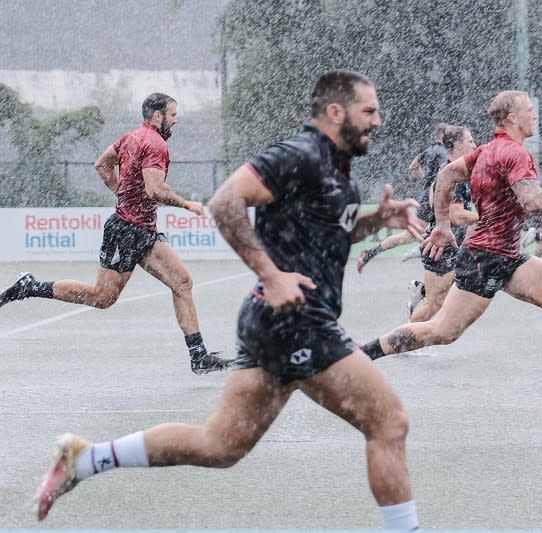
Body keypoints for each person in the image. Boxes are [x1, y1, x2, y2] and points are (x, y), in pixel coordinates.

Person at [33, 70, 422, 531]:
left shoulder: (334, 165)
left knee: (219, 445)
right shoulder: (298, 154)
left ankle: (86, 458)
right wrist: (270, 273)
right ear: (336, 112)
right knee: (389, 423)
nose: (378, 121)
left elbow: (328, 232)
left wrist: (376, 221)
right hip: (295, 320)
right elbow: (224, 202)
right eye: (369, 111)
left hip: (274, 322)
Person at [360, 90, 542, 414]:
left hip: (509, 255)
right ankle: (363, 353)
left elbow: (446, 175)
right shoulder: (514, 154)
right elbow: (531, 200)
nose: (535, 116)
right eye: (529, 110)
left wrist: (444, 224)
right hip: (485, 258)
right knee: (442, 332)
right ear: (512, 118)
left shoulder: (487, 152)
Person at [0, 92, 230, 374]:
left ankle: (199, 357)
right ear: (157, 116)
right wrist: (187, 204)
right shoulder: (156, 143)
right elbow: (155, 190)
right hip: (129, 230)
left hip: (135, 228)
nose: (175, 121)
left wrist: (123, 193)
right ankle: (30, 287)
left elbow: (101, 164)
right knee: (110, 296)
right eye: (172, 115)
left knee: (168, 285)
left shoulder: (130, 137)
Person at [407, 125, 478, 320]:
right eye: (470, 141)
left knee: (445, 297)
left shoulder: (455, 171)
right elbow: (455, 214)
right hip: (442, 246)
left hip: (450, 244)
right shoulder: (451, 173)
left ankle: (418, 291)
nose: (475, 144)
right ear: (458, 144)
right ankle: (402, 342)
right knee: (434, 303)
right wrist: (486, 217)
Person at [357, 123, 448, 272]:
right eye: (449, 136)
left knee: (413, 235)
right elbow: (443, 174)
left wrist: (426, 180)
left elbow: (413, 166)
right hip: (434, 196)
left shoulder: (429, 150)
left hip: (427, 195)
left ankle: (371, 253)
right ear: (441, 136)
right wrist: (432, 183)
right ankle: (420, 252)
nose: (451, 139)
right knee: (418, 234)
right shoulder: (443, 151)